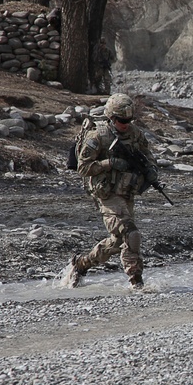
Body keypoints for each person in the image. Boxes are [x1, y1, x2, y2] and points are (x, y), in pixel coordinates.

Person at [60, 93, 160, 289]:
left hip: (126, 192)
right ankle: (136, 283)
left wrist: (151, 170)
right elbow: (83, 168)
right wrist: (110, 163)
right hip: (106, 194)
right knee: (131, 234)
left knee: (116, 242)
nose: (126, 124)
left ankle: (81, 264)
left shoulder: (135, 134)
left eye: (129, 120)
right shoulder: (98, 136)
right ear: (112, 118)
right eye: (122, 120)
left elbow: (147, 155)